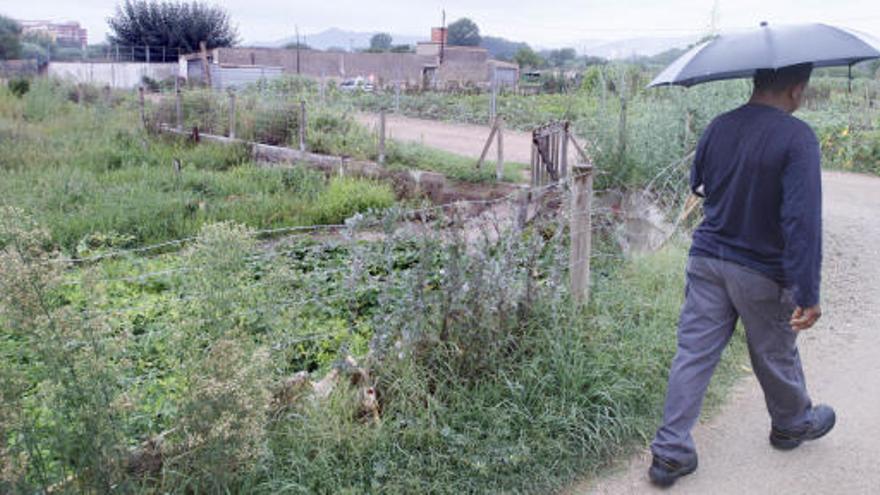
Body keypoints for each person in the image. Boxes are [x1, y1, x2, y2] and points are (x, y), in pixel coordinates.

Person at [648, 63, 835, 488]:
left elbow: (699, 185)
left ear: (755, 82)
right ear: (796, 89)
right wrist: (808, 291)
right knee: (774, 351)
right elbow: (802, 222)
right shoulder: (797, 136)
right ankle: (791, 424)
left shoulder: (718, 126)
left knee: (693, 353)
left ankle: (670, 453)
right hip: (762, 270)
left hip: (708, 259)